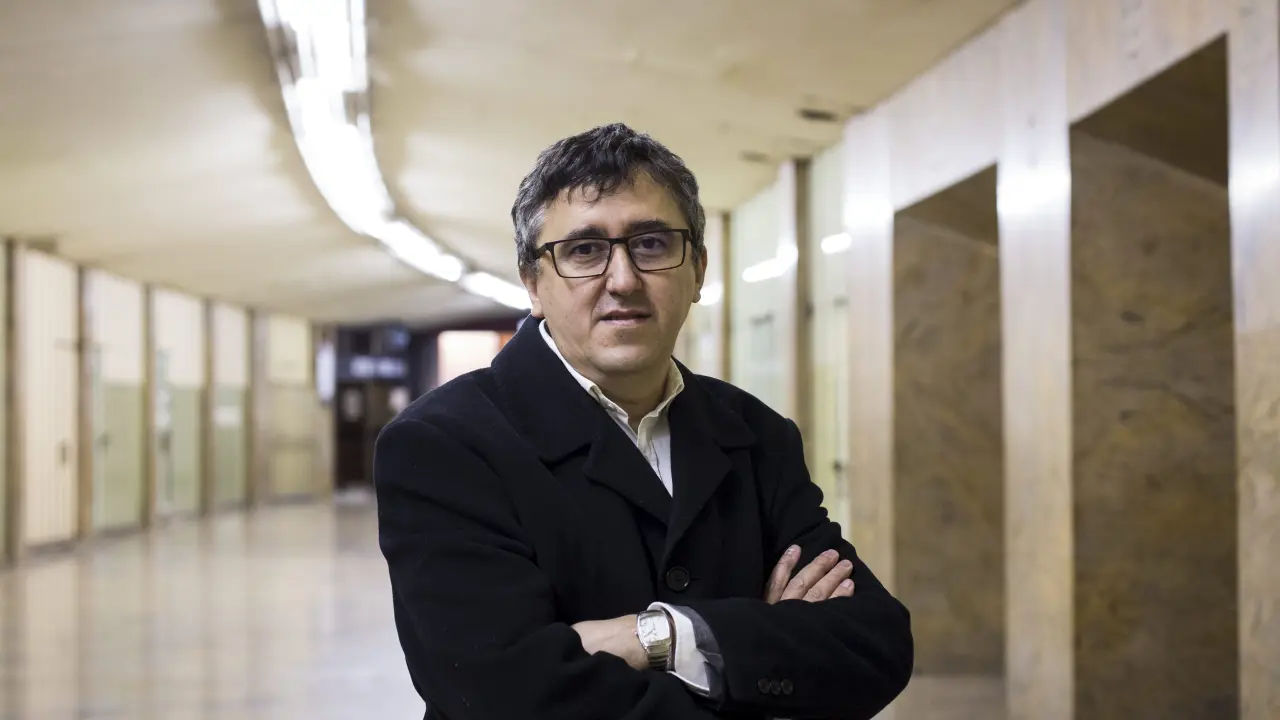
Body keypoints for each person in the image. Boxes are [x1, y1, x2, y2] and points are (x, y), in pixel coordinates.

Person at [374, 123, 913, 720]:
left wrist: (660, 636)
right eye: (584, 251)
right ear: (533, 283)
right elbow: (506, 695)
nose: (624, 279)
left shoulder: (756, 434)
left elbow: (874, 643)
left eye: (652, 244)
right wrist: (757, 647)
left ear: (698, 269)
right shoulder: (442, 446)